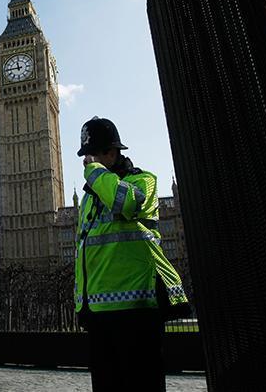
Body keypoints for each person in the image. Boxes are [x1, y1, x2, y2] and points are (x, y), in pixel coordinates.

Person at [74, 117, 189, 392]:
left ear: (112, 153)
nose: (87, 160)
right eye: (86, 155)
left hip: (137, 308)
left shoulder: (144, 181)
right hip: (98, 311)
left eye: (94, 154)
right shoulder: (90, 196)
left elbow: (124, 202)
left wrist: (94, 173)